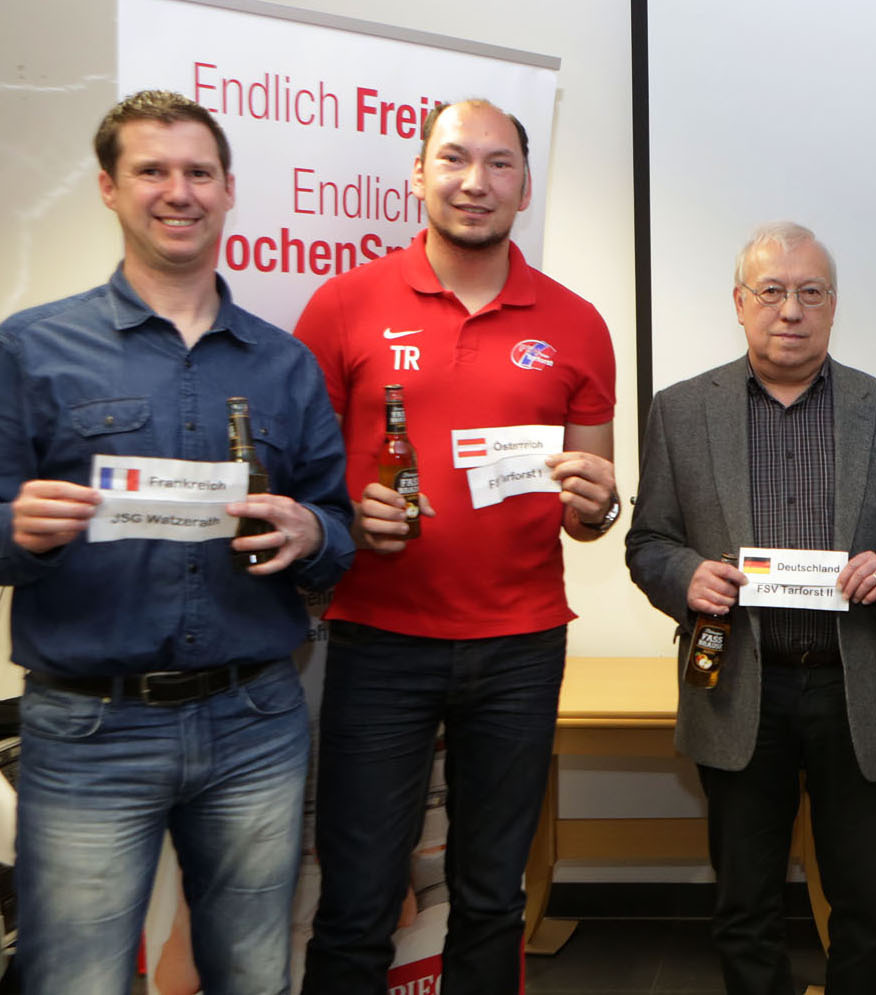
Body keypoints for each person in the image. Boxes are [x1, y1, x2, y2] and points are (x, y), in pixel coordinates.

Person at [0, 89, 354, 995]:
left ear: (229, 189)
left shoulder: (284, 363)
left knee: (254, 975)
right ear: (109, 188)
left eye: (198, 172)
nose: (178, 191)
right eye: (151, 170)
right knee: (74, 980)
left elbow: (338, 529)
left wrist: (314, 530)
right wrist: (14, 528)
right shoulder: (30, 349)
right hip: (88, 728)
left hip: (255, 719)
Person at [295, 98, 619, 993]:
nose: (475, 182)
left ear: (525, 184)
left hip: (521, 644)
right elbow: (299, 487)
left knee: (491, 897)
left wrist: (600, 505)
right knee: (357, 901)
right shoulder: (344, 304)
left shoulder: (577, 322)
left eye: (499, 163)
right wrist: (347, 515)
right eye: (453, 159)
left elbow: (589, 506)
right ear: (418, 175)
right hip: (379, 638)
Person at [626, 222, 876, 995]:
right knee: (745, 904)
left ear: (833, 305)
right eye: (771, 291)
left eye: (810, 292)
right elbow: (648, 540)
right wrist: (684, 575)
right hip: (738, 685)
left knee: (866, 903)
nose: (790, 310)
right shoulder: (680, 410)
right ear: (739, 302)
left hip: (853, 684)